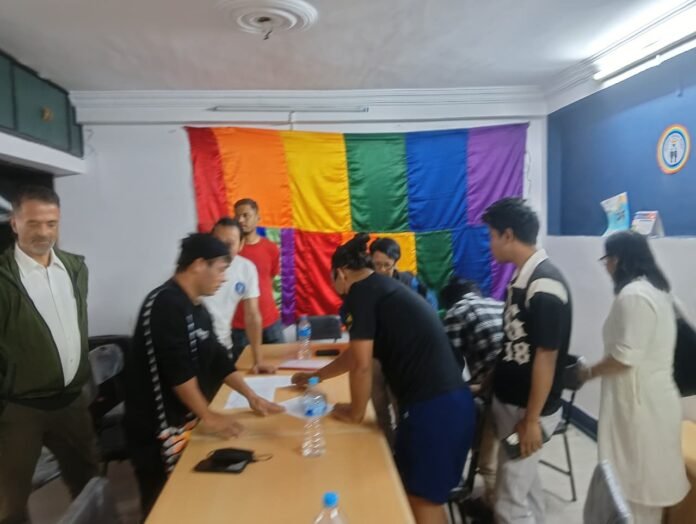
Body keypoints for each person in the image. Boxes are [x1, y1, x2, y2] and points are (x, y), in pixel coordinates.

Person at [292, 234, 475, 524]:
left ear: (341, 273)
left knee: (422, 500)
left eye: (332, 280)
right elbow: (356, 355)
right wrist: (316, 376)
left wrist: (355, 413)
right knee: (414, 494)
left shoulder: (360, 294)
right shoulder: (380, 288)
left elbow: (362, 366)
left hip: (435, 409)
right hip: (445, 404)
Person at [124, 233, 283, 515]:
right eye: (220, 269)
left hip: (183, 422)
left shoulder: (196, 306)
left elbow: (218, 358)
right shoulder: (165, 304)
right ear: (199, 265)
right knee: (163, 506)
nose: (224, 278)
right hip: (157, 430)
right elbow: (179, 374)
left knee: (195, 501)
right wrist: (209, 416)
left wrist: (251, 396)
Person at [0, 186, 99, 524]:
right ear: (15, 223)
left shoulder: (74, 268)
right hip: (19, 408)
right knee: (11, 502)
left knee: (89, 482)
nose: (43, 232)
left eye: (51, 223)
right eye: (33, 223)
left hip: (71, 402)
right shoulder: (3, 277)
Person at [579, 231, 689, 524]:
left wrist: (587, 373)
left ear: (618, 260)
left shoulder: (634, 296)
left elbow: (624, 358)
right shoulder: (659, 292)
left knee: (636, 488)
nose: (605, 266)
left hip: (640, 406)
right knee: (640, 483)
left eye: (606, 259)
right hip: (651, 398)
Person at [482, 197, 572, 524]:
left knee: (509, 502)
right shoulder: (523, 278)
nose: (490, 244)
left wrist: (532, 419)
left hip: (528, 409)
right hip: (513, 402)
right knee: (526, 487)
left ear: (508, 235)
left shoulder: (544, 285)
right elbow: (514, 343)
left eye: (492, 236)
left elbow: (546, 357)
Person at [441, 277, 504, 510]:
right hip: (524, 388)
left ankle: (495, 510)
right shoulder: (498, 304)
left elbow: (449, 366)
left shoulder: (456, 312)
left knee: (489, 463)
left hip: (500, 391)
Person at [203, 217, 275, 373]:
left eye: (229, 244)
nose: (221, 249)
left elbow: (252, 315)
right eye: (217, 242)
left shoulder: (246, 268)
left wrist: (258, 361)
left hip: (224, 347)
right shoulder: (198, 266)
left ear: (241, 245)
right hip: (196, 350)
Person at [232, 199, 285, 353]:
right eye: (237, 216)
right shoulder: (231, 253)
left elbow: (269, 279)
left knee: (280, 362)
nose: (240, 220)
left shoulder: (271, 248)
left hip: (271, 321)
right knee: (244, 366)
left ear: (257, 218)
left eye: (245, 215)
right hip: (241, 326)